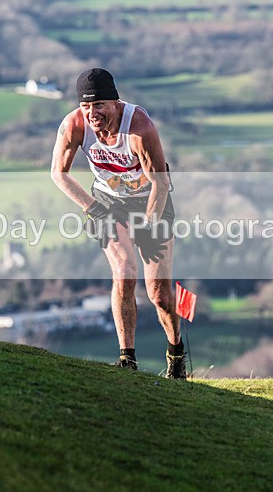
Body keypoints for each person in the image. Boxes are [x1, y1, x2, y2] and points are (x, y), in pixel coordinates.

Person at [51, 68, 186, 379]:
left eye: (99, 105)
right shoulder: (73, 125)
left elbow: (161, 184)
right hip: (107, 201)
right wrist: (94, 209)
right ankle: (127, 359)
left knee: (159, 295)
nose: (92, 114)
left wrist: (150, 229)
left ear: (114, 102)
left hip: (151, 199)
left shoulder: (140, 127)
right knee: (124, 271)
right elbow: (58, 173)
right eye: (86, 107)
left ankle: (176, 355)